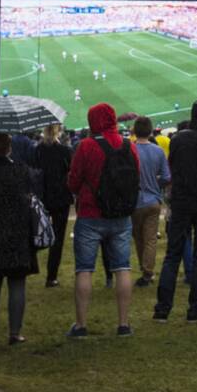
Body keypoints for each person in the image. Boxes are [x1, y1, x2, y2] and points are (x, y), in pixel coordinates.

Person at [66, 102, 138, 338]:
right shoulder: (128, 145)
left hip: (90, 214)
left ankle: (81, 324)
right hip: (120, 215)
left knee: (84, 269)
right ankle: (124, 324)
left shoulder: (86, 146)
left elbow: (73, 181)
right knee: (122, 267)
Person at [155, 102, 197, 323]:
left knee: (173, 255)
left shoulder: (179, 139)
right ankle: (195, 309)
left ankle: (162, 309)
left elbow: (174, 167)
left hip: (181, 202)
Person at [0, 133, 38, 345]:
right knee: (17, 283)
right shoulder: (20, 171)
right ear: (9, 147)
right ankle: (14, 332)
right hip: (16, 232)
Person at [31, 123, 73, 287]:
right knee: (58, 237)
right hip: (58, 197)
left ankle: (46, 273)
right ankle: (51, 275)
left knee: (37, 231)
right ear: (58, 131)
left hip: (43, 196)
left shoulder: (38, 150)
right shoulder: (63, 151)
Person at [132, 116, 170, 287]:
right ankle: (147, 271)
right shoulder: (157, 151)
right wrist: (157, 183)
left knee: (141, 238)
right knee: (149, 239)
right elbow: (167, 176)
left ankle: (146, 271)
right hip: (152, 200)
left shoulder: (131, 150)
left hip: (137, 201)